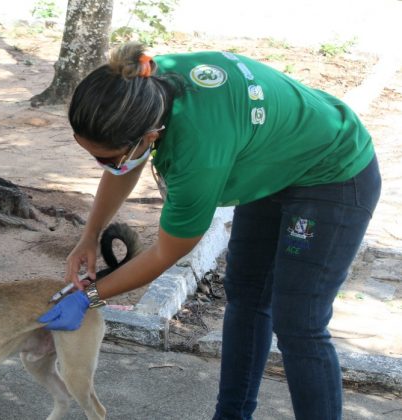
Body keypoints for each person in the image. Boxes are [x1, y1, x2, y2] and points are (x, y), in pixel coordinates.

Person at [38, 43, 381, 419]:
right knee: (246, 296)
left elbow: (166, 254)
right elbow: (125, 164)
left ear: (149, 137)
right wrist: (88, 236)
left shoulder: (197, 156)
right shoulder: (140, 86)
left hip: (333, 171)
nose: (102, 164)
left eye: (106, 157)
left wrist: (91, 298)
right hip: (269, 166)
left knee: (299, 321)